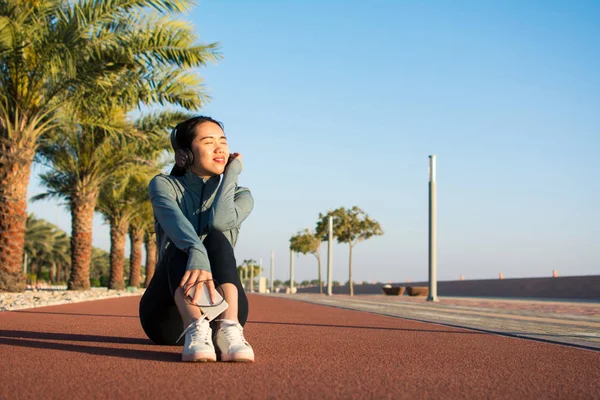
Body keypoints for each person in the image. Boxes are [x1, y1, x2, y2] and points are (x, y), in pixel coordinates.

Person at [138, 116, 255, 363]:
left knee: (216, 238)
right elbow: (176, 226)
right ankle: (194, 325)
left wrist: (230, 176)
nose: (220, 148)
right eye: (208, 141)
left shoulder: (242, 196)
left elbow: (219, 222)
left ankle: (229, 329)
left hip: (223, 311)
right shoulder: (163, 185)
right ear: (184, 155)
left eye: (222, 141)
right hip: (168, 317)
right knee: (184, 243)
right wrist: (196, 252)